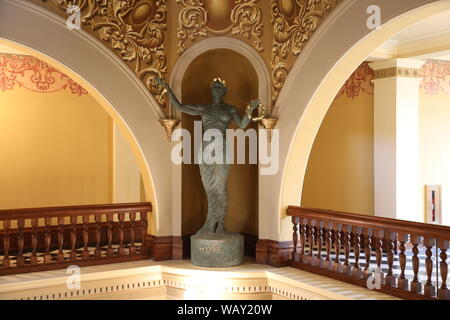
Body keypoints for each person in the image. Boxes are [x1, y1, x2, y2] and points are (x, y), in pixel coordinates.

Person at [156, 77, 260, 234]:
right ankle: (211, 223)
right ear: (211, 91)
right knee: (209, 187)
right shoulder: (203, 108)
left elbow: (243, 124)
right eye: (215, 87)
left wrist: (249, 111)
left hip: (222, 147)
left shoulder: (230, 109)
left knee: (221, 186)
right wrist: (167, 88)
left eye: (220, 87)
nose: (217, 89)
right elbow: (179, 106)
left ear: (224, 91)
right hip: (206, 148)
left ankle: (219, 224)